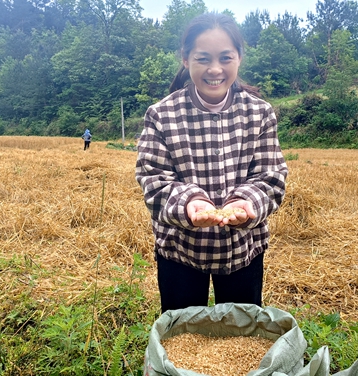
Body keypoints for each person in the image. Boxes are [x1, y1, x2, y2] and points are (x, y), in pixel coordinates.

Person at [135, 12, 288, 313]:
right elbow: (153, 180)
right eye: (203, 58)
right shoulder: (161, 115)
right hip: (179, 249)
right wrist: (189, 203)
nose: (215, 69)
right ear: (185, 58)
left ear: (240, 58)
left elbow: (271, 176)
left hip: (243, 247)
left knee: (242, 336)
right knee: (180, 336)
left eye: (225, 58)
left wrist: (246, 203)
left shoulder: (260, 113)